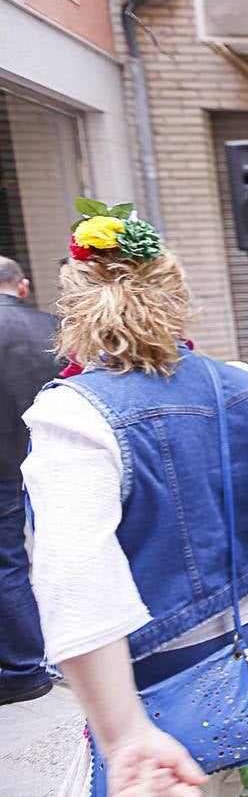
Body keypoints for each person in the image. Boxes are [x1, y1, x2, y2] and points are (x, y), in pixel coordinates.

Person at [22, 205, 248, 796]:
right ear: (175, 293)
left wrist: (124, 733)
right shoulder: (243, 381)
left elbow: (76, 583)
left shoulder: (73, 412)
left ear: (76, 302)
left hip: (179, 675)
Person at [0, 256, 61, 708]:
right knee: (61, 553)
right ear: (21, 287)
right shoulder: (54, 327)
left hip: (2, 466)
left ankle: (25, 666)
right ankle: (59, 649)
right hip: (52, 457)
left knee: (7, 565)